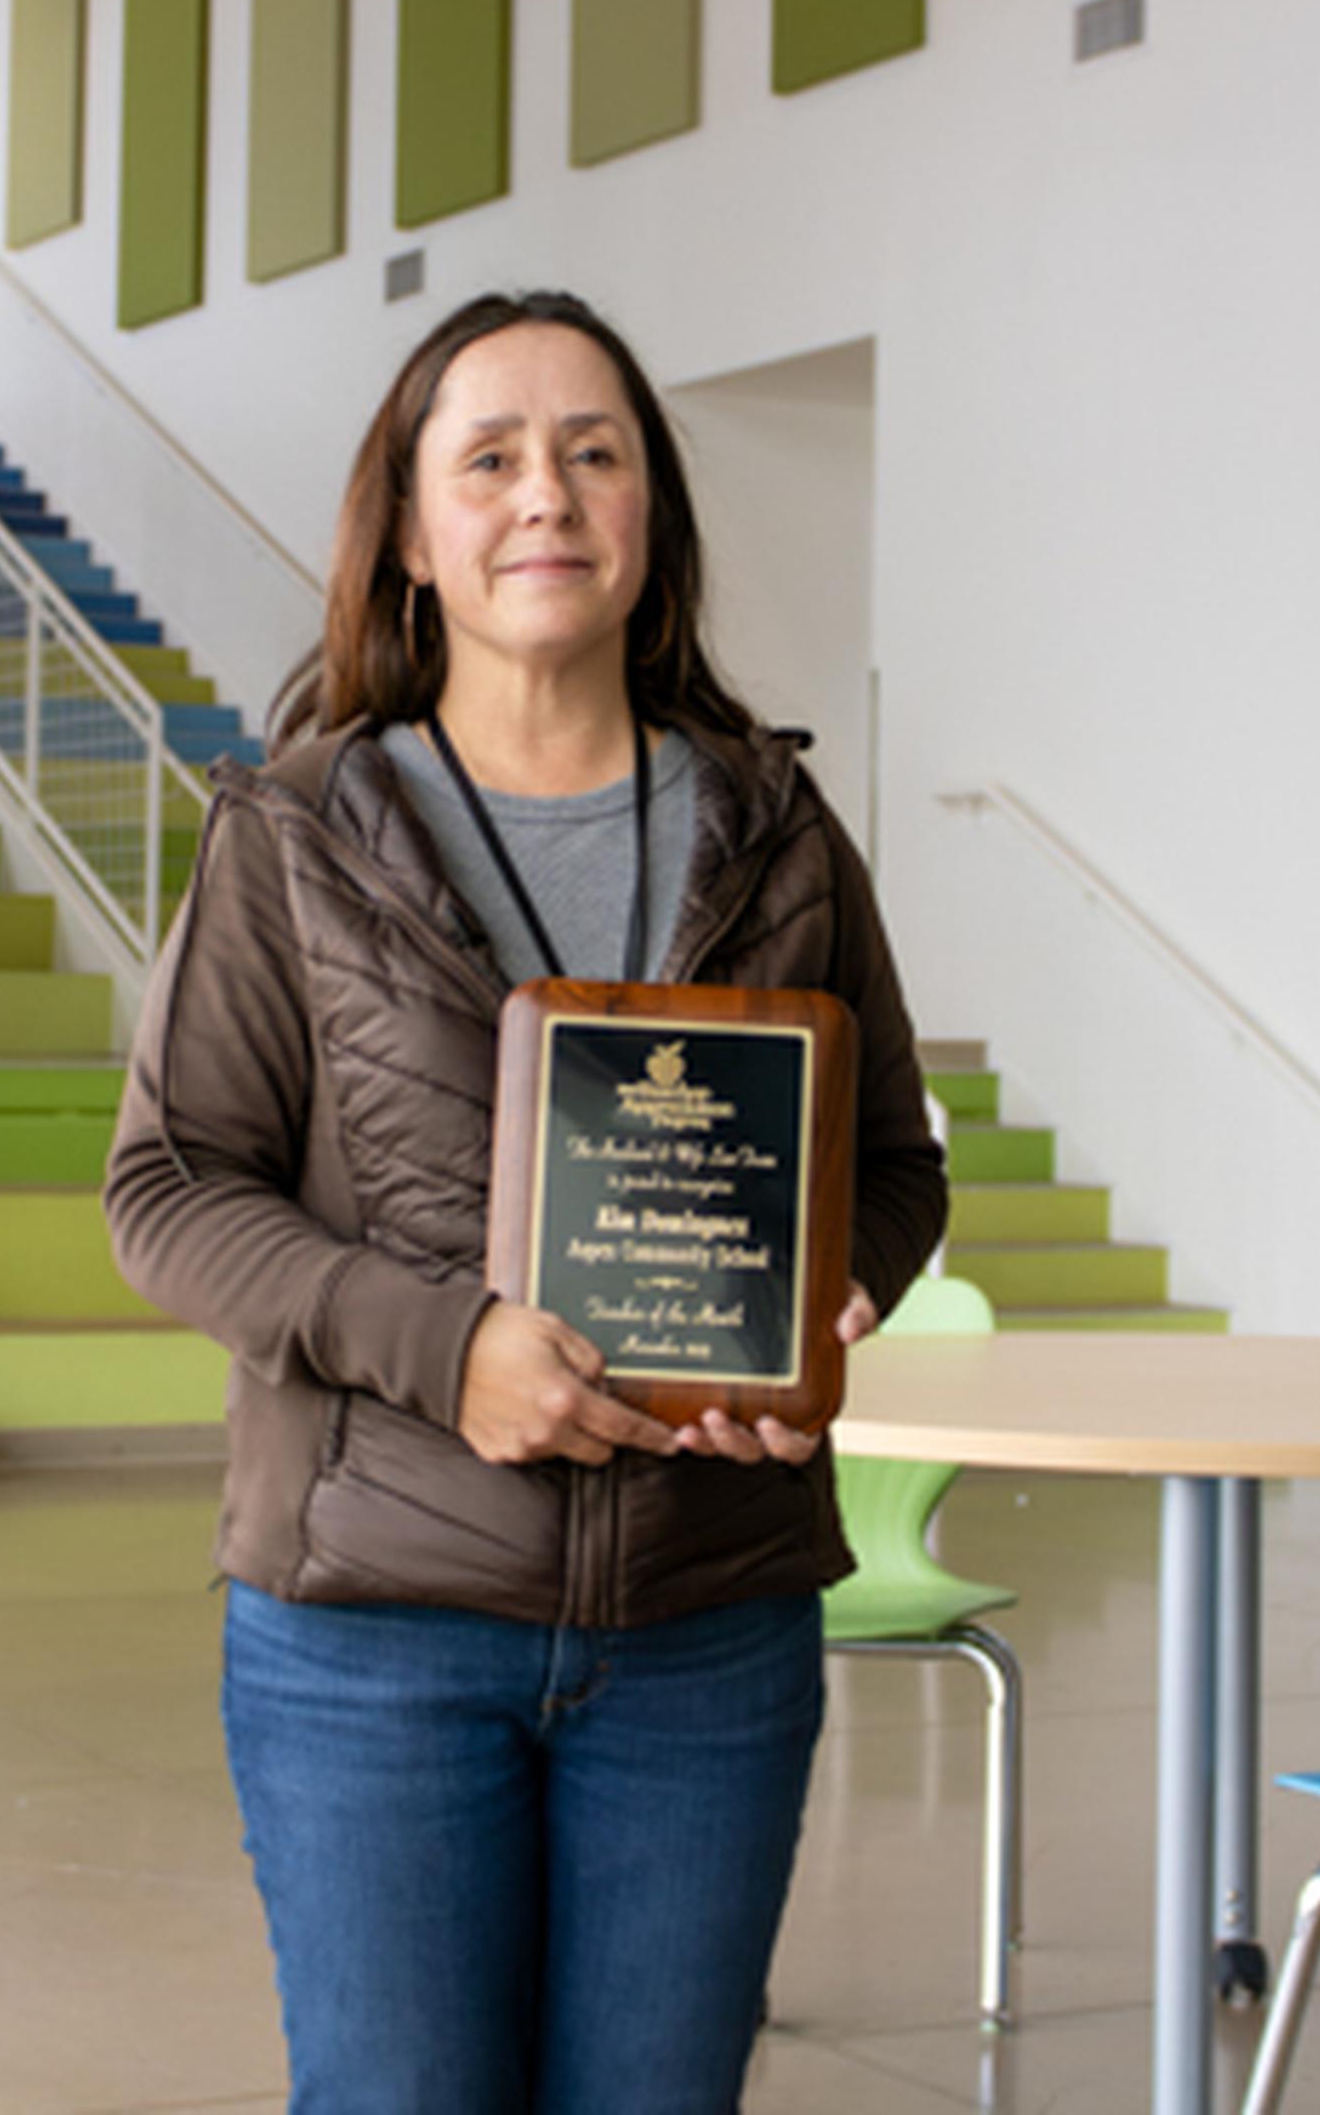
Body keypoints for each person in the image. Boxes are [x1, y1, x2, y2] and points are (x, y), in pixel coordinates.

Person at [103, 290, 951, 2113]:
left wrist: (825, 1302)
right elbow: (171, 1188)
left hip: (711, 1638)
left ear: (651, 517)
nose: (544, 495)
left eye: (593, 451)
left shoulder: (781, 830)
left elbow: (892, 1162)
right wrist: (448, 1347)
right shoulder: (298, 830)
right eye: (486, 459)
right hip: (373, 1633)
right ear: (412, 535)